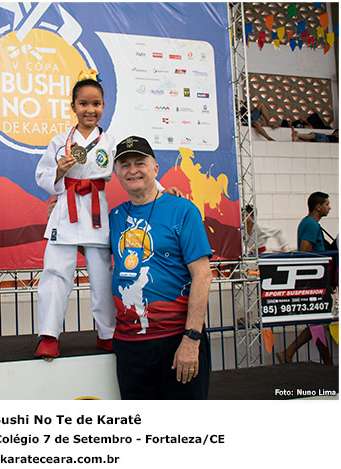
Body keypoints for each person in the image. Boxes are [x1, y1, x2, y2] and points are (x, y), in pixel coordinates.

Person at [34, 71, 177, 361]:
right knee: (55, 274)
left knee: (102, 277)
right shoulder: (59, 141)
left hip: (96, 213)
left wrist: (160, 190)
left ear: (103, 106)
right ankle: (49, 335)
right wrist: (60, 171)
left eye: (96, 104)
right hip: (65, 210)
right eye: (83, 104)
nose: (90, 110)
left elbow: (132, 170)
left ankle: (107, 332)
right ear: (73, 106)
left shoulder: (110, 142)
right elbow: (41, 176)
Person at [109, 136, 213, 399]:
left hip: (177, 340)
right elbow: (91, 249)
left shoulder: (183, 210)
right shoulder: (115, 216)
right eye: (125, 165)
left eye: (140, 163)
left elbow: (203, 276)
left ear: (155, 169)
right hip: (129, 345)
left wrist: (191, 338)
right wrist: (58, 218)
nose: (132, 170)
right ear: (116, 173)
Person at [277, 192, 334, 364]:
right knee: (317, 322)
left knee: (317, 323)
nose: (329, 207)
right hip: (315, 280)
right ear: (318, 206)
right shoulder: (311, 225)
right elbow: (305, 250)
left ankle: (326, 362)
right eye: (327, 204)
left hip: (315, 278)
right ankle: (289, 351)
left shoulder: (309, 223)